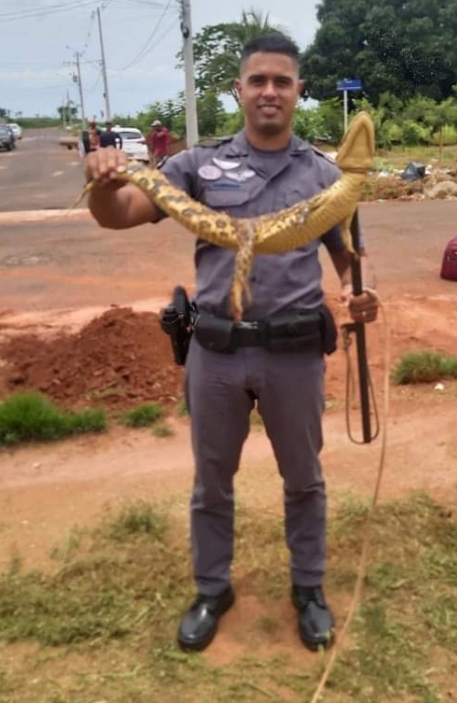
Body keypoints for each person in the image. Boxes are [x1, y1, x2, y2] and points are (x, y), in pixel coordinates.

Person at [84, 32, 379, 653]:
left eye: (282, 81)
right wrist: (106, 183)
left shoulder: (327, 177)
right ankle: (212, 589)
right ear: (239, 90)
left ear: (299, 92)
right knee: (211, 482)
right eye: (258, 80)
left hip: (295, 353)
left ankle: (308, 588)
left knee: (304, 479)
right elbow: (123, 212)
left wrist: (359, 290)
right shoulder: (194, 166)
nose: (270, 91)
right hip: (215, 353)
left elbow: (347, 260)